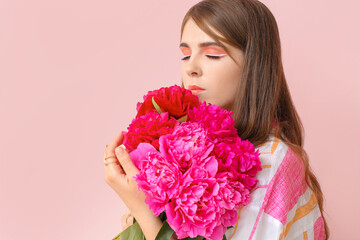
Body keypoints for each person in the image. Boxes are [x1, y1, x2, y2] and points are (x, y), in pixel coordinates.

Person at [103, 0, 330, 239]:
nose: (191, 68)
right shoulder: (193, 153)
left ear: (254, 65)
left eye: (212, 55)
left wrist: (141, 210)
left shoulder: (270, 161)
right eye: (186, 55)